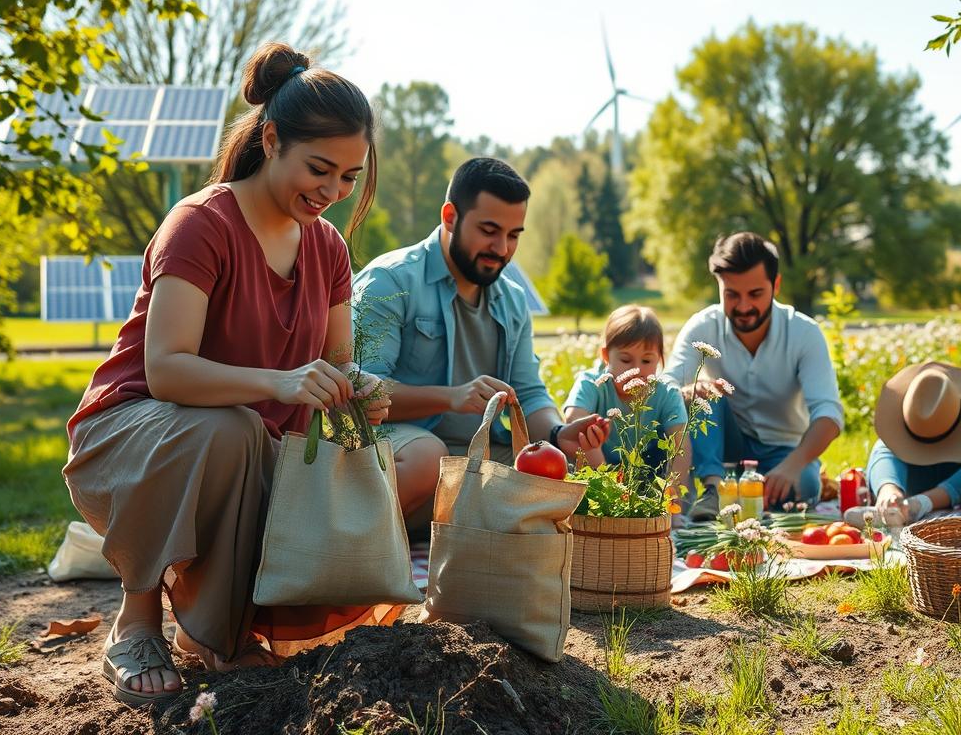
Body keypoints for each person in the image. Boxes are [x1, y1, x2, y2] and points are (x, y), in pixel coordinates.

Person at [62, 43, 392, 706]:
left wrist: (357, 388)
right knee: (233, 431)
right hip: (129, 438)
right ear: (271, 139)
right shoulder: (202, 224)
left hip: (244, 445)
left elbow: (332, 361)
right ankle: (136, 623)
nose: (331, 193)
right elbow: (167, 371)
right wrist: (278, 383)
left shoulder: (327, 247)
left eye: (349, 178)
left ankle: (216, 637)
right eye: (319, 169)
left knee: (395, 459)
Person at [352, 158, 608, 531]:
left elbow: (530, 393)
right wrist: (451, 397)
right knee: (427, 455)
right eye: (489, 230)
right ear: (450, 216)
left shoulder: (513, 300)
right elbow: (360, 394)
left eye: (514, 235)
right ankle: (364, 554)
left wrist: (557, 435)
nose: (501, 248)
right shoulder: (390, 282)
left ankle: (451, 532)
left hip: (474, 460)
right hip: (400, 455)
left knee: (569, 473)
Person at [664, 232, 845, 519]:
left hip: (784, 450)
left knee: (806, 484)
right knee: (704, 392)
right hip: (722, 450)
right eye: (732, 295)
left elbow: (829, 414)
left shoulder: (804, 333)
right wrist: (688, 391)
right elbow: (666, 385)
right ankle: (713, 491)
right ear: (718, 287)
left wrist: (792, 465)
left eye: (755, 294)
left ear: (776, 285)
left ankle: (739, 496)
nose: (744, 306)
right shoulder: (702, 328)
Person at [846, 361, 961, 527]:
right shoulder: (915, 418)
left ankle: (919, 505)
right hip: (916, 475)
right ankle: (890, 502)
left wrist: (924, 500)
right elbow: (885, 453)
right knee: (883, 447)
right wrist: (890, 488)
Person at [562, 305, 691, 520]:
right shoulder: (592, 382)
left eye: (647, 361)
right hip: (596, 471)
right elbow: (574, 421)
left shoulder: (666, 390)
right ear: (606, 356)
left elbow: (681, 445)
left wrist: (672, 502)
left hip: (650, 475)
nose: (636, 369)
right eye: (625, 360)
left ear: (660, 359)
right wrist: (611, 491)